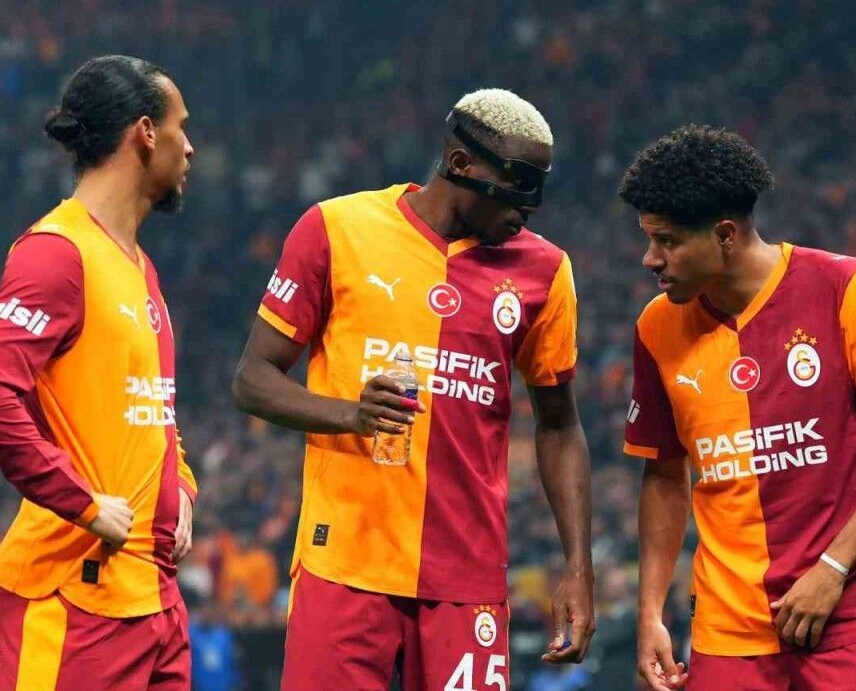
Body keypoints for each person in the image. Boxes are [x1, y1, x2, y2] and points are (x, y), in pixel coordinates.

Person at [232, 88, 595, 689]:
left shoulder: (546, 272)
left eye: (541, 186)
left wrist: (579, 568)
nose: (530, 206)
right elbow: (252, 380)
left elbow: (560, 426)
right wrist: (350, 414)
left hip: (467, 579)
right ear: (460, 163)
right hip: (344, 564)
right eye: (519, 184)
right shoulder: (335, 229)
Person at [620, 126, 856, 690]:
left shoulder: (845, 288)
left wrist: (833, 569)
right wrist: (649, 614)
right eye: (649, 239)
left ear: (724, 234)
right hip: (728, 633)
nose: (651, 258)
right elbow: (664, 476)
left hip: (849, 613)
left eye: (667, 241)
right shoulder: (656, 327)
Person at [0, 55, 198, 690]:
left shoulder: (139, 267)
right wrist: (80, 502)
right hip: (71, 599)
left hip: (152, 602)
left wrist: (184, 488)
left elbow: (150, 407)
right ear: (145, 132)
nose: (190, 147)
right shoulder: (57, 254)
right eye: (181, 127)